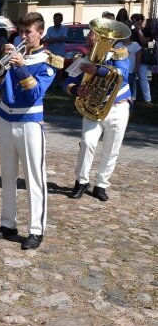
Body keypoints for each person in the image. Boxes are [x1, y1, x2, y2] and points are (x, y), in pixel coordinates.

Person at [0, 12, 63, 250]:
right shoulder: (14, 55)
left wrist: (20, 68)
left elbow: (34, 94)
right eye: (22, 31)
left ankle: (36, 230)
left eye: (29, 32)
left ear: (40, 33)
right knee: (7, 175)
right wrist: (3, 62)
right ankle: (7, 223)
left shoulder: (48, 61)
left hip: (29, 122)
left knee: (33, 177)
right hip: (5, 119)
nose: (24, 36)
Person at [65, 32, 131, 202]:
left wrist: (99, 70)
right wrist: (75, 89)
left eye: (93, 43)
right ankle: (81, 181)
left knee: (112, 148)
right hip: (92, 108)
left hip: (118, 106)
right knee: (87, 142)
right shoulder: (85, 58)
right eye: (88, 43)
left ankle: (101, 184)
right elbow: (68, 80)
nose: (89, 47)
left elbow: (122, 75)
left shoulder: (119, 54)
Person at [131, 13, 153, 104]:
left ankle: (147, 99)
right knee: (132, 76)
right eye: (133, 20)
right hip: (132, 56)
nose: (135, 22)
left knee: (142, 77)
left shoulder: (147, 31)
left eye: (136, 20)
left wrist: (139, 31)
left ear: (141, 21)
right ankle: (133, 97)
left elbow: (144, 42)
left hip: (142, 56)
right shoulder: (131, 32)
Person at [114, 31, 142, 104]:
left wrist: (136, 68)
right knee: (119, 89)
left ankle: (130, 105)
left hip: (130, 71)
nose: (125, 38)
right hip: (119, 71)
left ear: (130, 36)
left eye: (127, 36)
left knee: (130, 89)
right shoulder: (118, 45)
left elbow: (138, 58)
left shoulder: (136, 45)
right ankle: (119, 103)